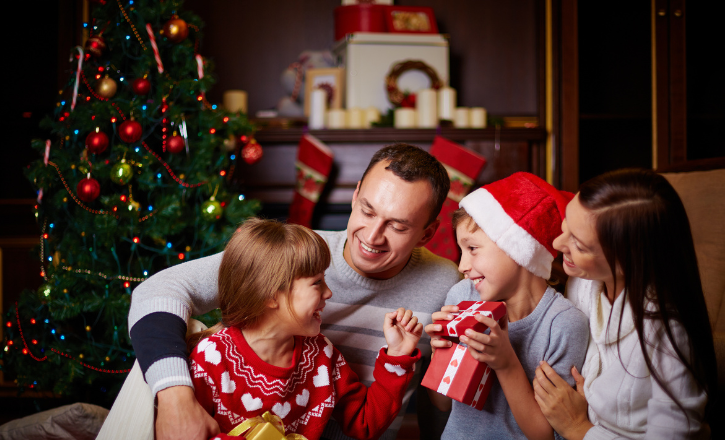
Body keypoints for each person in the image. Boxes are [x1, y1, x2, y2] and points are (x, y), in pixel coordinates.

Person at [127, 144, 462, 440]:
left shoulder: (447, 284)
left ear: (426, 233)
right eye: (367, 210)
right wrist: (175, 397)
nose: (373, 236)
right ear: (356, 194)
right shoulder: (294, 256)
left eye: (398, 225)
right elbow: (158, 290)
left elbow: (444, 400)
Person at [187, 218, 423, 440]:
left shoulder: (321, 356)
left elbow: (365, 423)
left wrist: (397, 356)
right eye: (317, 282)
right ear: (270, 295)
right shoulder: (212, 357)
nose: (328, 293)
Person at [533, 168, 718, 439]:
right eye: (565, 225)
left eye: (580, 245)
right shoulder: (582, 284)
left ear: (628, 260)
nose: (558, 242)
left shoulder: (666, 333)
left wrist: (579, 428)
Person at [425, 172, 590, 439]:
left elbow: (545, 434)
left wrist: (506, 364)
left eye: (473, 248)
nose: (462, 266)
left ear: (518, 249)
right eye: (461, 250)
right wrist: (442, 353)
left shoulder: (562, 324)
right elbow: (441, 403)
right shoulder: (461, 296)